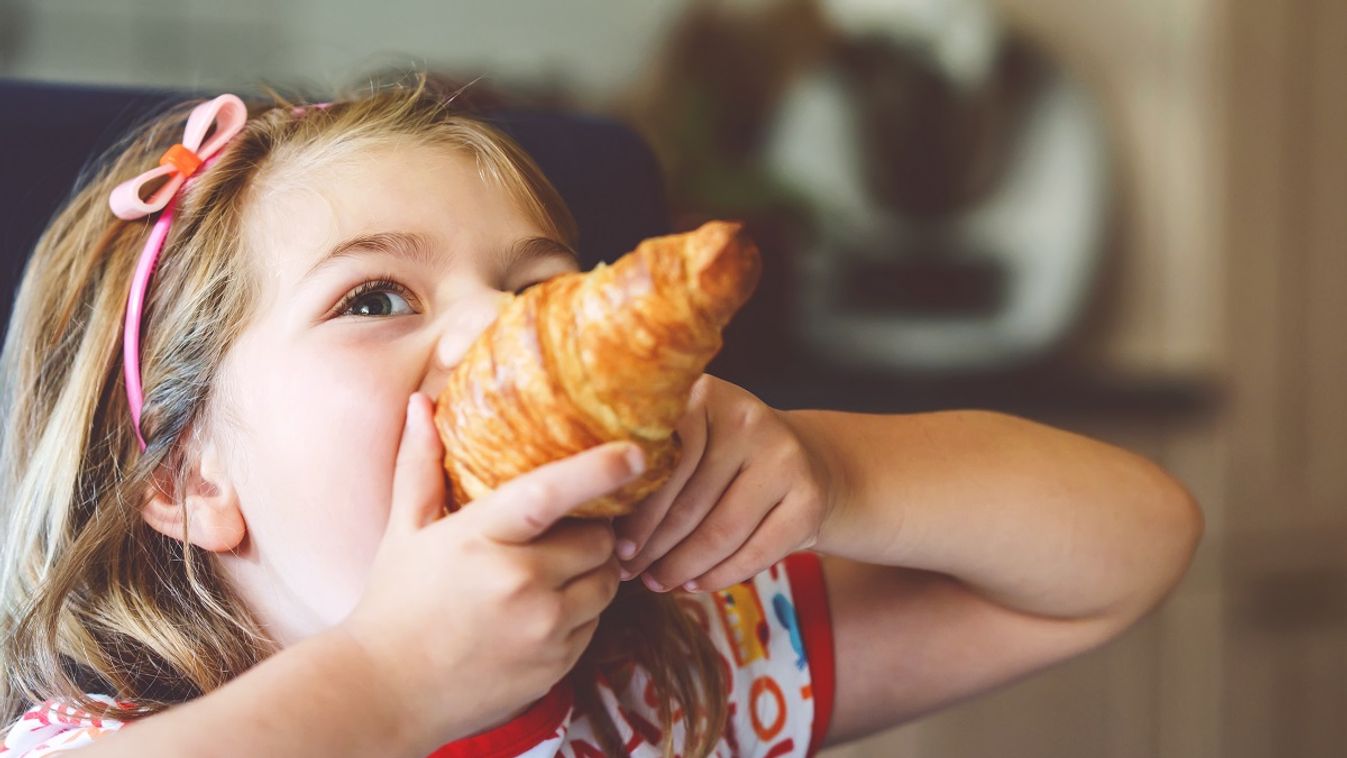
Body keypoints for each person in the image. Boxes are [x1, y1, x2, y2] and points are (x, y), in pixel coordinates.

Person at [0, 77, 1202, 758]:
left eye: (534, 289)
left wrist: (837, 469)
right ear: (184, 473)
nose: (495, 335)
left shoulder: (666, 683)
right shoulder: (102, 734)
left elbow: (1130, 547)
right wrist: (395, 681)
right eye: (375, 297)